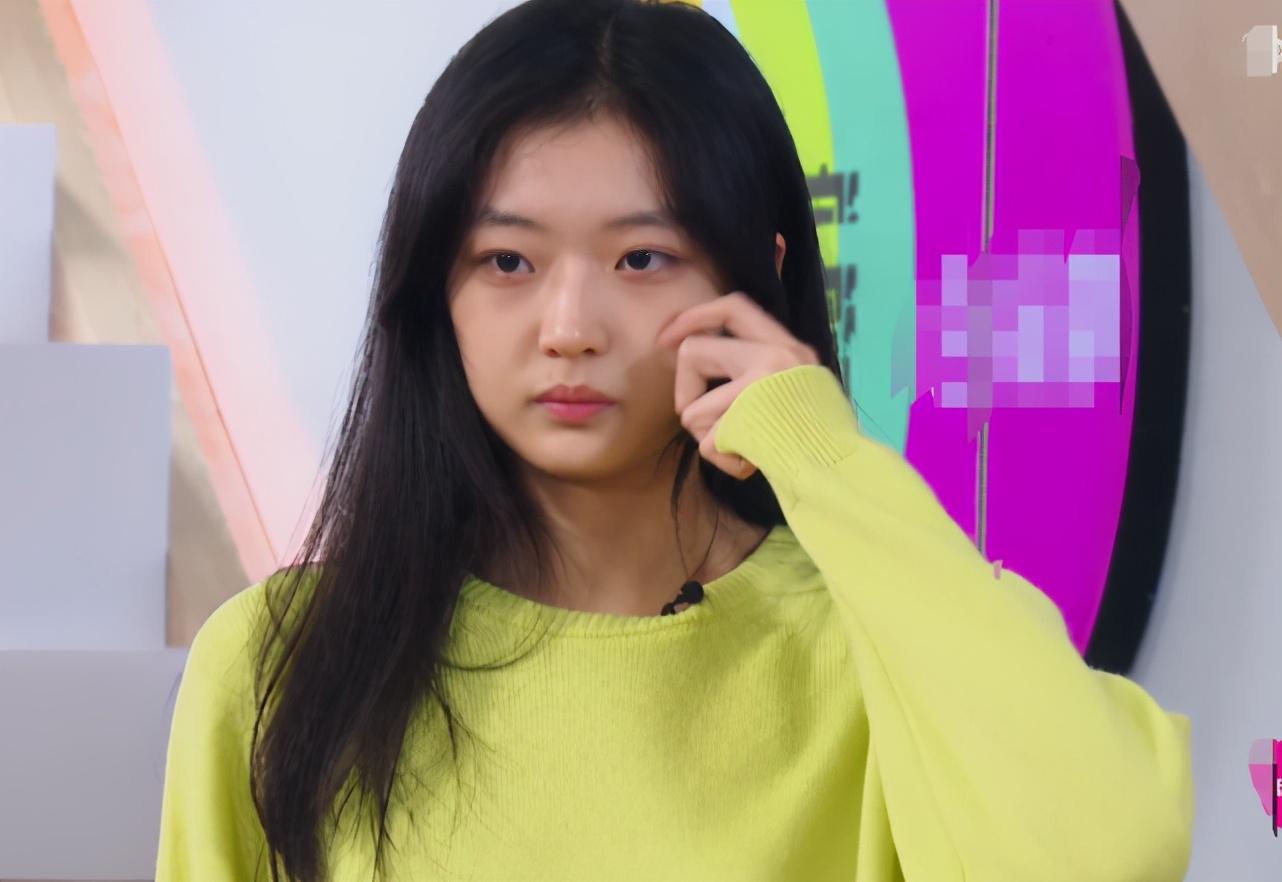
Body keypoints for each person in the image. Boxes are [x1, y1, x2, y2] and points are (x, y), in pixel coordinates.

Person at [153, 0, 1194, 880]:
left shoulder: (870, 649)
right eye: (508, 262)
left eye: (642, 259)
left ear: (756, 278)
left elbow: (1107, 850)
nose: (569, 327)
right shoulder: (284, 665)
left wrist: (821, 455)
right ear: (437, 291)